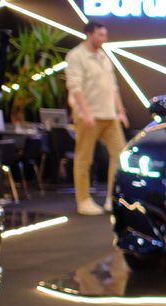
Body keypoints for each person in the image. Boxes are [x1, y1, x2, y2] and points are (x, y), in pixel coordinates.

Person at [65, 21, 128, 216]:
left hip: (109, 115)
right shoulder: (76, 56)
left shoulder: (103, 56)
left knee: (119, 156)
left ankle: (112, 197)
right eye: (100, 35)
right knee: (84, 159)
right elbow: (75, 88)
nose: (104, 39)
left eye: (105, 35)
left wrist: (121, 111)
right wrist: (85, 112)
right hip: (88, 116)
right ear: (89, 34)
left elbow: (113, 87)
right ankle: (83, 200)